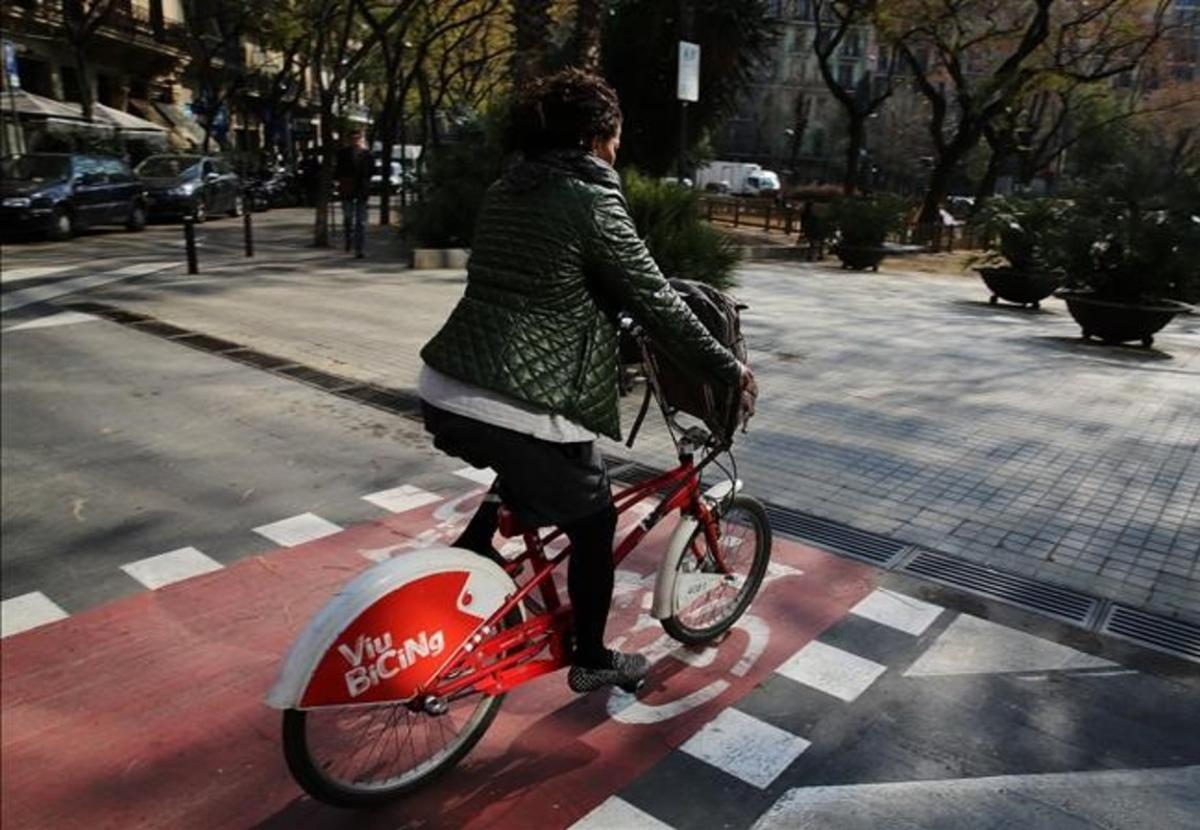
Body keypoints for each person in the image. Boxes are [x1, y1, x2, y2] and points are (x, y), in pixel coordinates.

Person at [418, 69, 756, 694]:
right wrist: (726, 366)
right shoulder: (592, 198)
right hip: (526, 400)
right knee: (594, 521)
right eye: (618, 133)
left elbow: (547, 280)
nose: (619, 145)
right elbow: (655, 298)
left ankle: (471, 553)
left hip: (446, 386)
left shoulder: (506, 189)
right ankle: (595, 657)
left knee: (525, 467)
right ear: (600, 136)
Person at [335, 130, 372, 257]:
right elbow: (338, 171)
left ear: (361, 139)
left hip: (362, 192)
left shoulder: (367, 154)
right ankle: (348, 238)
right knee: (348, 217)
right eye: (353, 138)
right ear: (349, 140)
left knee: (361, 222)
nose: (355, 141)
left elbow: (371, 171)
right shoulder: (342, 154)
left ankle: (359, 249)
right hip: (347, 191)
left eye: (358, 138)